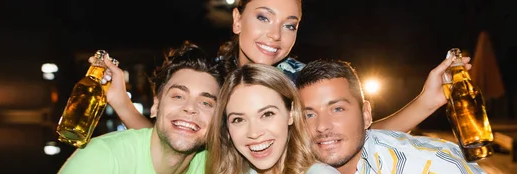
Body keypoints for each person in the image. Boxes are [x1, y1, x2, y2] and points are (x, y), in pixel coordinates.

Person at [101, 0, 470, 139]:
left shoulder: (306, 81)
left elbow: (359, 139)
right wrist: (120, 101)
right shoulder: (206, 80)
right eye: (264, 17)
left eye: (290, 24)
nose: (275, 35)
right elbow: (167, 140)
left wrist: (427, 101)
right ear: (236, 19)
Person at [295, 59, 499, 174]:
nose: (322, 126)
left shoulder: (430, 166)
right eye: (309, 115)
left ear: (366, 114)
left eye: (337, 109)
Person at [50, 42, 225, 174]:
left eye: (206, 103)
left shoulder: (216, 173)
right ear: (156, 106)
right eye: (178, 96)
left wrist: (122, 103)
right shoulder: (102, 159)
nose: (190, 108)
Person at [204, 64, 345, 174]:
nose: (254, 133)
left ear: (291, 114)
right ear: (227, 128)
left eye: (267, 114)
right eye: (238, 119)